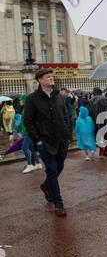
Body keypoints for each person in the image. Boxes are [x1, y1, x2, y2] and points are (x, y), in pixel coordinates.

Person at [24, 69, 71, 217]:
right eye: (47, 77)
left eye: (52, 76)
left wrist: (68, 134)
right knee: (51, 170)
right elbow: (28, 121)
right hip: (45, 142)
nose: (51, 78)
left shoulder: (59, 97)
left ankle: (45, 185)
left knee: (59, 167)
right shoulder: (32, 99)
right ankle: (58, 203)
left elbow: (65, 116)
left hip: (61, 140)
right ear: (39, 81)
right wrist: (37, 140)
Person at [18, 94, 43, 173]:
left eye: (21, 100)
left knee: (24, 148)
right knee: (32, 149)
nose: (20, 101)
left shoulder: (27, 110)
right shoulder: (25, 109)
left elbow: (28, 122)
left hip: (28, 133)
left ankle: (30, 165)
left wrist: (23, 131)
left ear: (25, 100)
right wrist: (18, 129)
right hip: (28, 132)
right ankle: (38, 163)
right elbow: (22, 122)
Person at [88, 87, 107, 156]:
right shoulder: (105, 99)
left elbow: (89, 112)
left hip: (95, 120)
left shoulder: (91, 100)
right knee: (105, 135)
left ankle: (101, 149)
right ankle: (105, 149)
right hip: (104, 120)